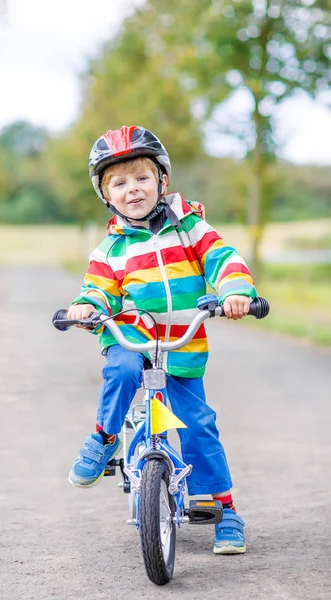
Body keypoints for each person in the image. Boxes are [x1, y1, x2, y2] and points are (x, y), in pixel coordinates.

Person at [66, 125, 257, 554]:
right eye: (119, 182)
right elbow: (96, 289)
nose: (132, 189)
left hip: (182, 345)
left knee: (198, 426)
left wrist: (234, 292)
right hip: (133, 336)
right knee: (121, 368)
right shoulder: (111, 250)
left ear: (162, 181)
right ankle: (104, 436)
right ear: (106, 195)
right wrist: (86, 307)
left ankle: (224, 510)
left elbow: (223, 259)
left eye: (141, 178)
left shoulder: (191, 227)